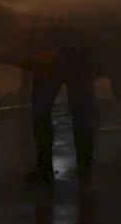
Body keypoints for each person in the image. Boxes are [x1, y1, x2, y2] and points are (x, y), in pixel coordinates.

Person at [24, 39, 98, 188]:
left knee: (41, 112)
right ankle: (85, 167)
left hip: (49, 56)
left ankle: (44, 168)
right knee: (81, 113)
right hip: (80, 55)